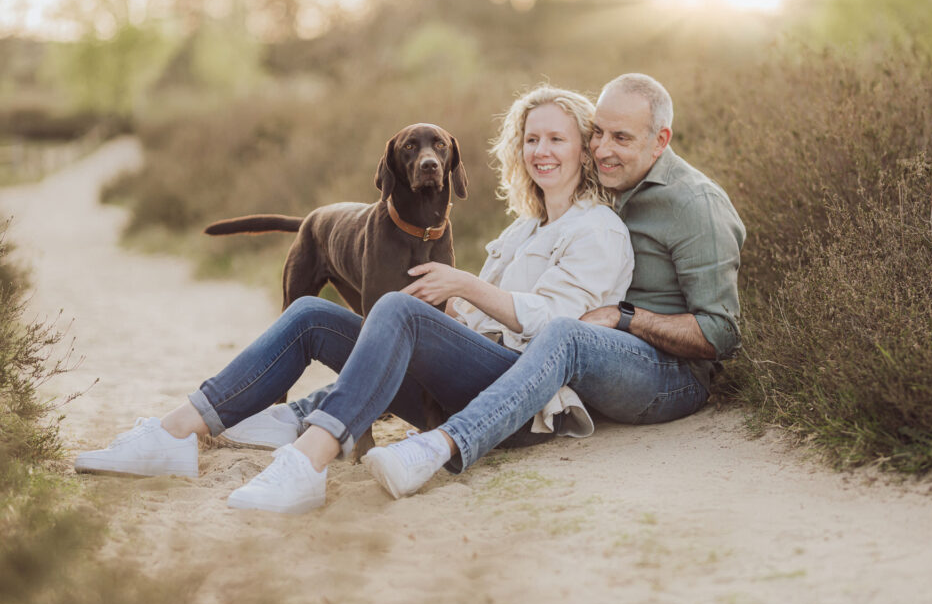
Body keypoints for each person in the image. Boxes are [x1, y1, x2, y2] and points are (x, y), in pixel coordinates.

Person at [74, 85, 634, 514]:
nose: (541, 151)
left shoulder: (598, 229)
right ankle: (175, 433)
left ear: (586, 152)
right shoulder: (523, 229)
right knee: (311, 314)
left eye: (557, 139)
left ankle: (309, 460)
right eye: (532, 139)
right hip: (459, 379)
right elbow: (472, 313)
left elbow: (560, 330)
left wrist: (461, 286)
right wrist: (457, 306)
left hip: (513, 398)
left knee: (391, 306)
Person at [353, 72, 746, 498]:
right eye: (597, 134)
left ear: (660, 140)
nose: (602, 149)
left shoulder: (694, 204)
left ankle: (439, 447)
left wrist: (625, 317)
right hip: (601, 361)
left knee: (565, 331)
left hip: (673, 374)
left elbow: (721, 334)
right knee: (341, 319)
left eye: (621, 137)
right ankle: (308, 414)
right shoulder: (603, 188)